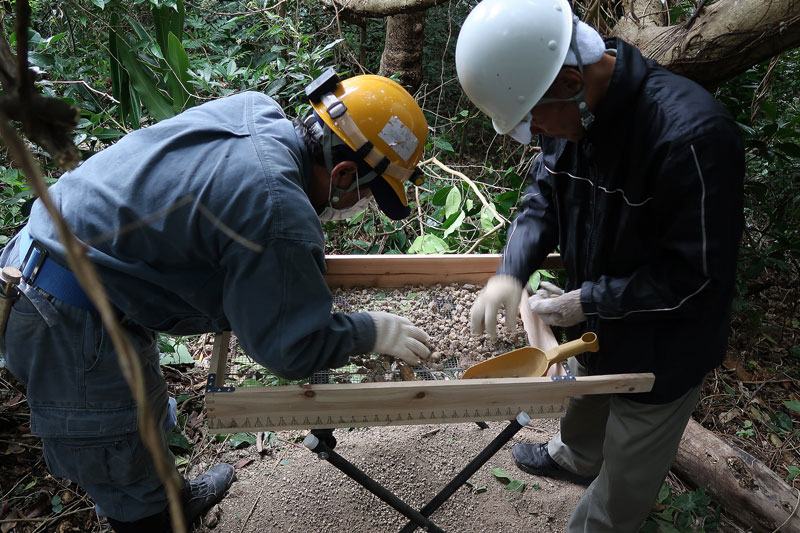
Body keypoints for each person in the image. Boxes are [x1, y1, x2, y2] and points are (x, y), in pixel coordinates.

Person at [0, 69, 432, 532]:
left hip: (74, 267)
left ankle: (173, 497)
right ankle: (151, 517)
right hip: (64, 311)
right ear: (345, 172)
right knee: (117, 457)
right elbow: (288, 349)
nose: (361, 202)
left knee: (143, 417)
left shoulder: (254, 111)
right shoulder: (275, 205)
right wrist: (372, 331)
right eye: (368, 192)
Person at [457, 0, 744, 531]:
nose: (535, 131)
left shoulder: (691, 136)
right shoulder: (568, 113)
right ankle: (575, 457)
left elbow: (697, 279)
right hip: (597, 328)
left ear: (569, 79)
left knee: (624, 483)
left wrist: (586, 300)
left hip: (664, 350)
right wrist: (510, 270)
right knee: (586, 403)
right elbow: (543, 193)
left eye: (534, 118)